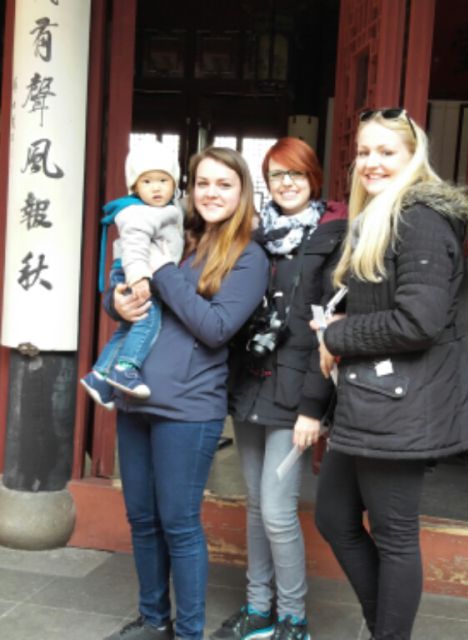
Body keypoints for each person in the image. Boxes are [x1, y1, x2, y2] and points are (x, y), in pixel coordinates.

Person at [312, 108, 468, 640]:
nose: (372, 162)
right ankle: (385, 627)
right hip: (371, 399)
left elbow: (419, 321)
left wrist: (338, 335)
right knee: (334, 517)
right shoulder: (380, 215)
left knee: (395, 536)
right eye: (364, 152)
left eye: (387, 152)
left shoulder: (420, 219)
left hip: (400, 403)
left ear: (413, 157)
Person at [102, 147, 269, 640]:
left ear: (242, 192)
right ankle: (154, 621)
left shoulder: (249, 256)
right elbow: (128, 289)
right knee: (142, 518)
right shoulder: (176, 235)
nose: (211, 193)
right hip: (135, 396)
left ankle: (189, 632)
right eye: (203, 183)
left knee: (178, 523)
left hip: (189, 406)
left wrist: (162, 271)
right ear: (189, 188)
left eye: (224, 184)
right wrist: (115, 302)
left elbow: (215, 328)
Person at [211, 137, 347, 640]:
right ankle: (258, 608)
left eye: (296, 173)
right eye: (276, 175)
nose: (286, 183)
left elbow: (329, 332)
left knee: (276, 509)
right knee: (255, 505)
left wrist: (314, 407)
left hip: (296, 394)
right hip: (250, 383)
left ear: (313, 177)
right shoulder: (253, 232)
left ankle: (293, 617)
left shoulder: (334, 235)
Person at [80, 140, 184, 406]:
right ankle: (126, 368)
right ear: (135, 187)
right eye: (147, 181)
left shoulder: (164, 210)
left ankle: (100, 376)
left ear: (175, 182)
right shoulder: (139, 213)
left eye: (163, 180)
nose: (156, 187)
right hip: (135, 273)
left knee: (130, 324)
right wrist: (139, 277)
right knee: (149, 320)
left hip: (133, 272)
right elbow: (135, 245)